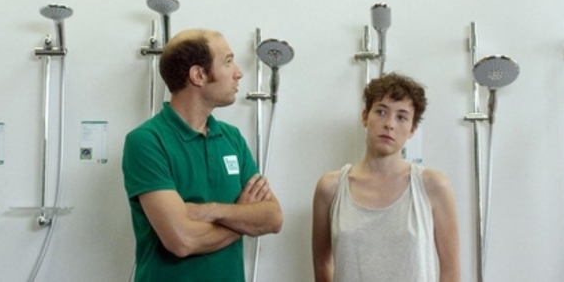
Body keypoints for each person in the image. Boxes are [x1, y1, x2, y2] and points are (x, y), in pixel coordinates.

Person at [122, 28, 283, 282]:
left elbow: (272, 218)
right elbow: (182, 241)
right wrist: (242, 218)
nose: (239, 73)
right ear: (198, 75)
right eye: (228, 62)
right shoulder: (146, 141)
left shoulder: (232, 138)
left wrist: (212, 211)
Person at [312, 73, 460, 282]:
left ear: (412, 129)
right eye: (381, 112)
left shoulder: (433, 186)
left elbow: (451, 271)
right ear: (365, 117)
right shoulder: (331, 188)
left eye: (401, 117)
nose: (389, 124)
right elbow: (322, 264)